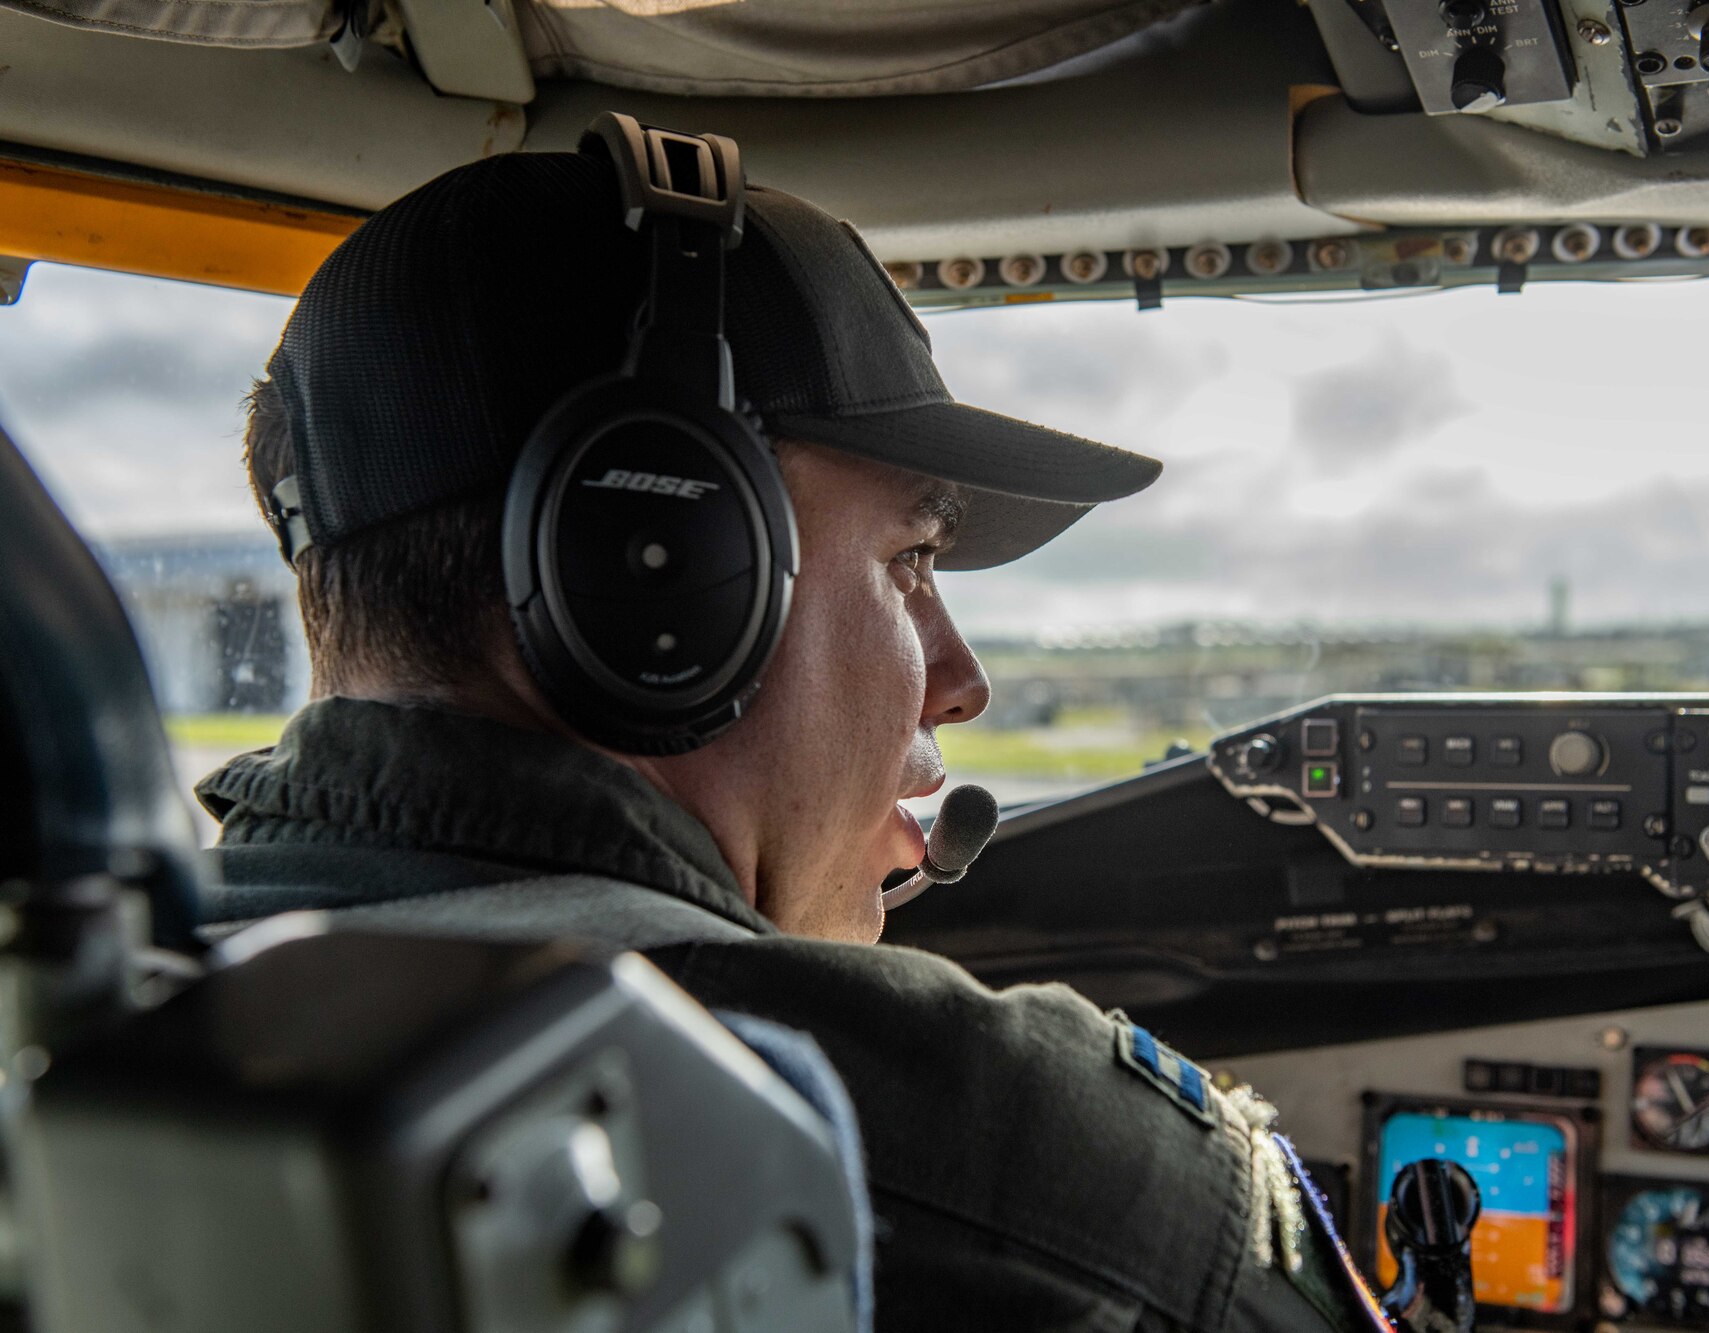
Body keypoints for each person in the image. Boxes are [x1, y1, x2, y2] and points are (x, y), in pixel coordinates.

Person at [196, 141, 1386, 1332]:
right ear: (656, 576)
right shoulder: (1011, 1165)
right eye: (908, 560)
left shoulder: (101, 991)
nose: (960, 681)